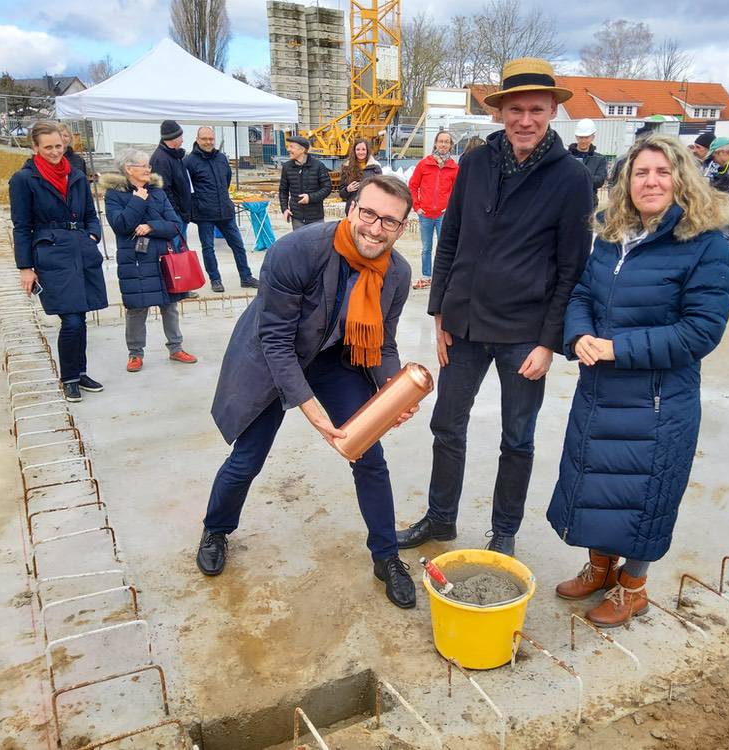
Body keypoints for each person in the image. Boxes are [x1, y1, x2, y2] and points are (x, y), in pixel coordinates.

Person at [396, 58, 592, 558]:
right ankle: (441, 519)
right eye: (515, 109)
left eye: (536, 110)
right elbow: (452, 237)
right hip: (462, 324)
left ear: (552, 112)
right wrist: (439, 310)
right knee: (447, 425)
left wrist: (550, 342)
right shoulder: (477, 163)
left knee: (518, 437)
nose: (525, 120)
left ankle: (504, 532)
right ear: (501, 111)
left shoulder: (570, 178)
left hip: (525, 333)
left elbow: (571, 269)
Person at [197, 175, 418, 608]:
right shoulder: (298, 249)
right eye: (368, 213)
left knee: (369, 456)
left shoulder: (397, 273)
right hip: (271, 356)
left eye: (389, 221)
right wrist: (314, 412)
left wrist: (394, 389)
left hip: (335, 358)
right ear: (351, 208)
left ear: (403, 226)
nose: (375, 228)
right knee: (247, 459)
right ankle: (216, 528)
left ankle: (386, 556)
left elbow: (383, 343)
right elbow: (275, 340)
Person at [549, 134, 729, 628]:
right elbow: (582, 296)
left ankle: (633, 587)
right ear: (625, 183)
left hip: (657, 399)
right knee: (597, 484)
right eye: (640, 173)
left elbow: (701, 330)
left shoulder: (706, 244)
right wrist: (581, 335)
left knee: (645, 493)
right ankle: (600, 568)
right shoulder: (612, 236)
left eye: (661, 172)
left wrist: (617, 348)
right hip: (601, 390)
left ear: (682, 178)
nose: (650, 181)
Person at [10, 120, 108, 403]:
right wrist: (25, 267)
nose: (55, 151)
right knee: (72, 319)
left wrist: (93, 236)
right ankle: (69, 379)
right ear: (36, 147)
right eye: (49, 147)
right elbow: (21, 226)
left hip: (81, 250)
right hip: (52, 255)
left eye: (59, 146)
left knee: (82, 315)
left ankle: (80, 371)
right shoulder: (24, 180)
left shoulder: (75, 174)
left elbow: (91, 213)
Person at [102, 149, 198, 372]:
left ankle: (176, 348)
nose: (148, 170)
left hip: (163, 258)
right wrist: (137, 200)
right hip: (135, 260)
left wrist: (152, 227)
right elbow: (121, 225)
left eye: (148, 167)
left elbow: (174, 225)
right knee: (137, 308)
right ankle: (135, 354)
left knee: (170, 306)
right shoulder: (114, 194)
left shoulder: (157, 192)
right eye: (144, 166)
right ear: (129, 168)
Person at [184, 126, 258, 294]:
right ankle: (215, 279)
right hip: (204, 213)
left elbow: (226, 180)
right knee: (208, 248)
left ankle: (246, 277)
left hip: (225, 210)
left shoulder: (221, 158)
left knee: (238, 245)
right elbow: (188, 188)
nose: (208, 142)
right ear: (197, 139)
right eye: (204, 139)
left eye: (211, 139)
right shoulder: (189, 161)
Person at [408, 130, 459, 290]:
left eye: (447, 142)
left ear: (450, 146)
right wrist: (417, 206)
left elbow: (458, 191)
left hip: (444, 215)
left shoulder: (454, 167)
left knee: (443, 247)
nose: (443, 144)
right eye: (441, 141)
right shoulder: (425, 164)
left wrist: (449, 208)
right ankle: (426, 276)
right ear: (436, 143)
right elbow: (413, 185)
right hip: (426, 214)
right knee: (426, 248)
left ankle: (441, 276)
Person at [279, 135, 332, 230]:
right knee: (299, 244)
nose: (288, 149)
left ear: (302, 150)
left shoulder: (318, 166)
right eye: (288, 146)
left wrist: (310, 198)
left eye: (292, 147)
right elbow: (283, 191)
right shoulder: (287, 167)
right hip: (297, 218)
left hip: (316, 218)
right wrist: (284, 209)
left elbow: (327, 188)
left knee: (316, 244)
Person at [149, 120, 193, 231]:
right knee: (177, 246)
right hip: (174, 215)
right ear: (173, 139)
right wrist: (175, 212)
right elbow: (163, 189)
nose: (182, 140)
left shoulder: (174, 156)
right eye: (180, 137)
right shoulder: (161, 159)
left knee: (182, 247)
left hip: (181, 213)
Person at [567, 118, 607, 205]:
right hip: (567, 202)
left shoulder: (599, 158)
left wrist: (582, 177)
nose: (583, 141)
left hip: (589, 203)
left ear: (593, 137)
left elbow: (599, 181)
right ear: (576, 137)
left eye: (586, 137)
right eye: (581, 137)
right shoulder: (566, 156)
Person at [338, 138, 382, 215]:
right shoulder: (346, 167)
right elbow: (341, 194)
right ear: (354, 151)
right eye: (358, 149)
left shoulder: (375, 167)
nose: (360, 152)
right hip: (352, 210)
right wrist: (347, 189)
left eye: (363, 149)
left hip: (370, 210)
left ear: (367, 151)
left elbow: (381, 190)